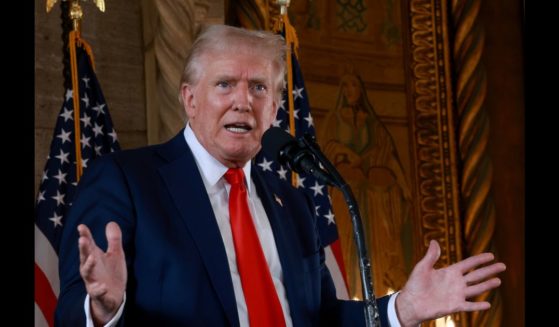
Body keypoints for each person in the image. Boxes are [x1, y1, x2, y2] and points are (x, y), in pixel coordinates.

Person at [55, 24, 506, 327]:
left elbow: (321, 317)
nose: (243, 101)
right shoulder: (127, 181)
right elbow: (72, 315)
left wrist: (400, 309)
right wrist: (104, 309)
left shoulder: (292, 203)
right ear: (190, 99)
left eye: (259, 88)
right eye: (225, 84)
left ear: (273, 109)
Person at [320, 71, 412, 298]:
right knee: (347, 241)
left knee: (376, 242)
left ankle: (381, 291)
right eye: (346, 86)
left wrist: (404, 186)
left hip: (371, 197)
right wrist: (344, 153)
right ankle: (349, 293)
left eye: (354, 85)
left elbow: (386, 153)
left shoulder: (373, 124)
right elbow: (325, 151)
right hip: (345, 194)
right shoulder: (334, 120)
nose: (351, 90)